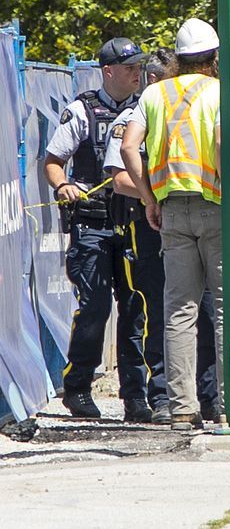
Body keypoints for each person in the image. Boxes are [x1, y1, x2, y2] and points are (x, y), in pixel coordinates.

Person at [102, 48, 222, 426]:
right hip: (214, 205)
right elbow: (220, 145)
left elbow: (126, 148)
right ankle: (228, 404)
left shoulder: (155, 94)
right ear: (213, 58)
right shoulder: (219, 91)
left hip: (170, 210)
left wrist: (151, 197)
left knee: (178, 312)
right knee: (222, 311)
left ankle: (181, 407)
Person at [43, 37, 152, 421]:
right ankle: (77, 388)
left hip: (134, 223)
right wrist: (63, 185)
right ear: (108, 71)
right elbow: (53, 161)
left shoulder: (147, 108)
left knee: (136, 309)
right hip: (92, 223)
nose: (137, 74)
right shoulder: (82, 110)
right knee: (94, 308)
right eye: (129, 68)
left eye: (140, 67)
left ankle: (136, 397)